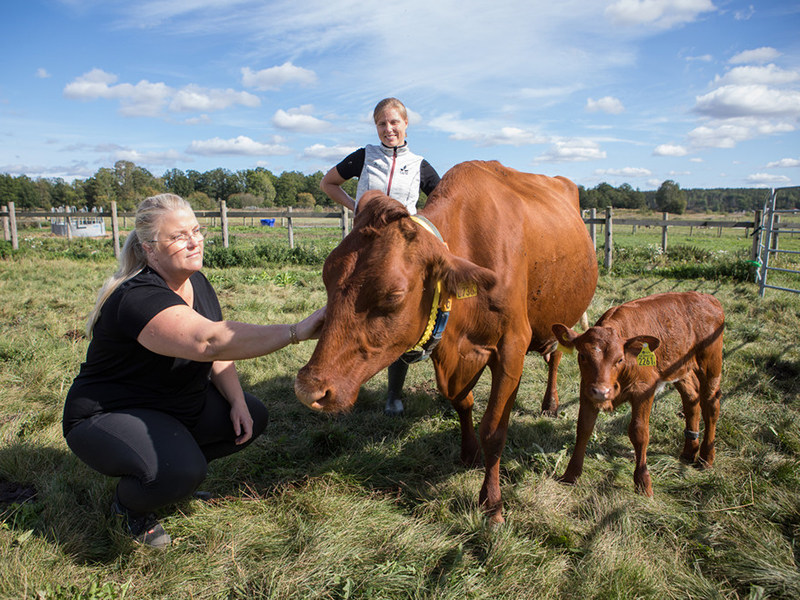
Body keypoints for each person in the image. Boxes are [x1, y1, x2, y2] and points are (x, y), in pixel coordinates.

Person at [63, 193, 325, 548]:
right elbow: (210, 342)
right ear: (149, 249)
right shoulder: (138, 297)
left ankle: (171, 476)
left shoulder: (196, 281)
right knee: (181, 471)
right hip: (109, 413)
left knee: (253, 417)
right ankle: (131, 506)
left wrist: (236, 400)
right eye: (178, 236)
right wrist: (296, 331)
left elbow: (218, 356)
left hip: (172, 405)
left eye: (197, 230)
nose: (194, 241)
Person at [320, 98, 440, 416]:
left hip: (398, 254)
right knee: (349, 310)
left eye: (394, 122)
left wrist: (418, 227)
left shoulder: (419, 164)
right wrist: (356, 208)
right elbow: (328, 183)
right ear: (376, 127)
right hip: (361, 248)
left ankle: (393, 394)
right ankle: (334, 370)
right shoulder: (364, 156)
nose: (388, 129)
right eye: (382, 124)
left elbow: (442, 202)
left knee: (392, 315)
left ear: (405, 124)